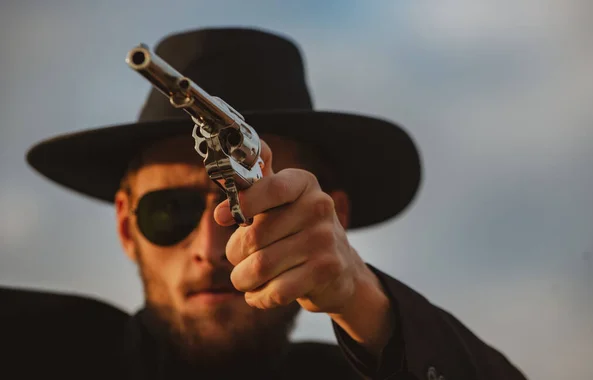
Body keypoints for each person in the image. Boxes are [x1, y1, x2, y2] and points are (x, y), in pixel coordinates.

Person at [16, 27, 528, 380]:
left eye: (255, 210)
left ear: (334, 219)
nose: (212, 248)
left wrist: (363, 300)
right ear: (127, 229)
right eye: (168, 211)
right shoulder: (35, 346)